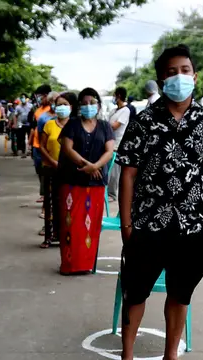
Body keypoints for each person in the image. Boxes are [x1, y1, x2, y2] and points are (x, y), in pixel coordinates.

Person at [113, 46, 203, 360]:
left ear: (194, 76)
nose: (179, 76)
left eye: (185, 69)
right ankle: (127, 357)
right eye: (171, 71)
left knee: (181, 294)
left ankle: (171, 356)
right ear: (161, 78)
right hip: (148, 226)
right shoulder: (144, 121)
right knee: (136, 292)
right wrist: (126, 223)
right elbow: (129, 173)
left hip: (194, 229)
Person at [57, 87, 116, 274]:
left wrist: (95, 166)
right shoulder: (72, 125)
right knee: (71, 225)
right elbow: (67, 148)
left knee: (91, 225)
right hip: (72, 182)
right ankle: (69, 265)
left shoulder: (105, 126)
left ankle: (86, 264)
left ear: (98, 105)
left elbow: (109, 150)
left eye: (92, 102)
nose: (88, 106)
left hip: (96, 184)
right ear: (79, 107)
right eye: (84, 103)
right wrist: (87, 166)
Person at [38, 92, 73, 249]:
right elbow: (42, 146)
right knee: (50, 202)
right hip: (50, 169)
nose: (62, 107)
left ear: (71, 107)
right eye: (59, 104)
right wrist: (52, 162)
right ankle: (49, 237)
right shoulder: (49, 124)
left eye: (65, 104)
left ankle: (67, 236)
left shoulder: (74, 125)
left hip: (70, 170)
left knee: (68, 203)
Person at [107, 87, 132, 202]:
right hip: (110, 143)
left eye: (114, 95)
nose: (113, 97)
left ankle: (112, 194)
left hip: (118, 144)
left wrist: (106, 127)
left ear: (119, 96)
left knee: (114, 172)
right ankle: (108, 193)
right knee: (108, 170)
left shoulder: (125, 111)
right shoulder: (113, 111)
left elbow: (114, 126)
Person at [30, 84, 53, 207]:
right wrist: (30, 143)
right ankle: (43, 193)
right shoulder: (38, 111)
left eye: (40, 96)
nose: (38, 99)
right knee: (39, 170)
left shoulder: (52, 111)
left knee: (46, 172)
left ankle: (46, 196)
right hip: (36, 145)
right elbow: (34, 128)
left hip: (46, 147)